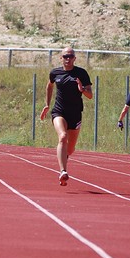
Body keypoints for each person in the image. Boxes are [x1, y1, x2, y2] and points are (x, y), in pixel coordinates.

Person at [40, 47, 92, 186]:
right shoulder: (55, 73)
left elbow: (90, 95)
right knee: (62, 137)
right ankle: (63, 171)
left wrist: (82, 90)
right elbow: (49, 86)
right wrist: (47, 104)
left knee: (70, 149)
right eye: (65, 56)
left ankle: (65, 156)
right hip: (59, 111)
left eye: (70, 56)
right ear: (61, 58)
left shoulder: (81, 73)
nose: (68, 59)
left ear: (75, 58)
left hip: (75, 113)